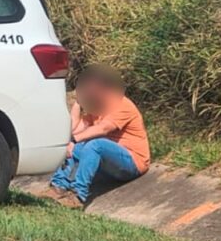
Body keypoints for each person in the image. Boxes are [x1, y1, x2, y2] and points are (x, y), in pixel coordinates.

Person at [46, 64, 150, 208]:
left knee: (95, 144)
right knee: (76, 145)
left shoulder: (122, 104)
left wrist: (75, 140)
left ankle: (77, 195)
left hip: (132, 161)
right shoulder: (96, 108)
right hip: (109, 162)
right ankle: (57, 187)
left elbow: (103, 129)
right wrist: (77, 103)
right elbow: (75, 130)